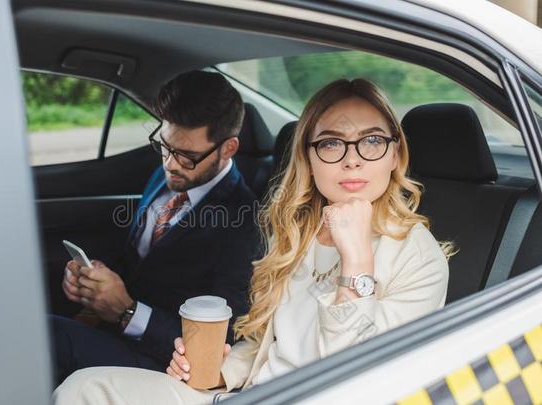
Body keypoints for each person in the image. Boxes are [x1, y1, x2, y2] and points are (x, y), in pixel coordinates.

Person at [52, 78, 451, 404]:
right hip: (246, 392)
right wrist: (219, 372)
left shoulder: (418, 257)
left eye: (372, 141)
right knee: (84, 389)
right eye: (330, 143)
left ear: (395, 155)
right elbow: (261, 341)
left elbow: (360, 378)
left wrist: (358, 260)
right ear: (309, 160)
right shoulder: (295, 230)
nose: (352, 158)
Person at [50, 70, 261, 385]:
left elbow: (223, 343)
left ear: (228, 148)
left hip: (162, 364)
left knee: (48, 333)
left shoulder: (244, 225)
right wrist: (94, 280)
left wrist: (127, 312)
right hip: (117, 335)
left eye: (187, 156)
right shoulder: (166, 176)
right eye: (164, 146)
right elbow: (140, 262)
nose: (170, 164)